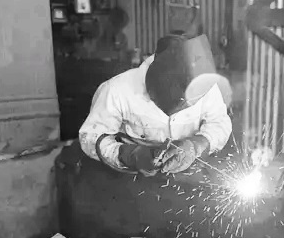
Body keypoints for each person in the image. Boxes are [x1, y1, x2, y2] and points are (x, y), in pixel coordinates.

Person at [79, 34, 232, 176]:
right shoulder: (117, 90)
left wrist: (196, 145)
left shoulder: (205, 85)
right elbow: (90, 137)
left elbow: (219, 123)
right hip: (132, 178)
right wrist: (129, 155)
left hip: (187, 177)